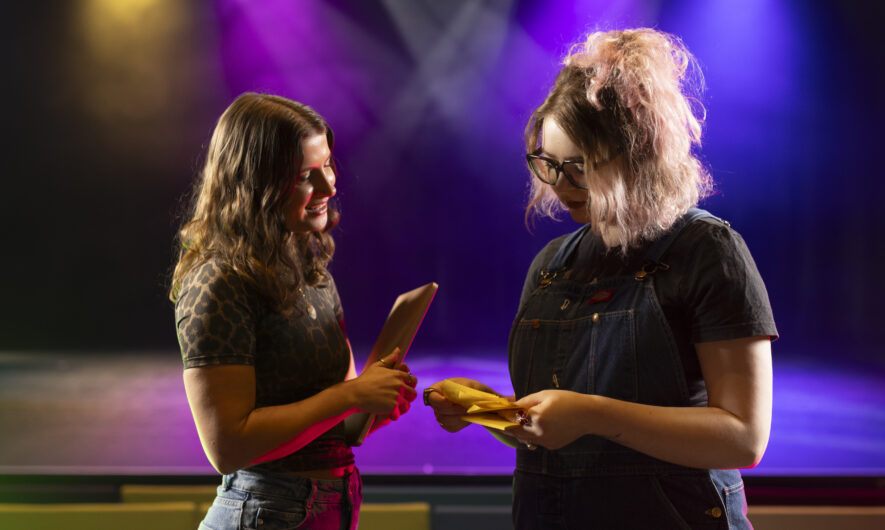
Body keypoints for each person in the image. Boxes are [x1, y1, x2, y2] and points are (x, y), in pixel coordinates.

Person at [426, 28, 776, 529]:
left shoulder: (707, 252)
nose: (561, 185)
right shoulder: (551, 263)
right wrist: (493, 412)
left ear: (639, 155)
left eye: (582, 167)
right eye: (549, 164)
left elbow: (743, 438)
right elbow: (559, 429)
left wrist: (591, 414)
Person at [169, 93, 417, 530]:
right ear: (256, 183)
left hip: (326, 507)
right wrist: (352, 395)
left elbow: (333, 420)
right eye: (306, 176)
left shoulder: (309, 265)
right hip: (263, 511)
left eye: (327, 167)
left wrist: (376, 404)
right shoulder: (217, 279)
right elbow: (226, 447)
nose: (329, 187)